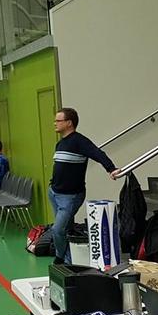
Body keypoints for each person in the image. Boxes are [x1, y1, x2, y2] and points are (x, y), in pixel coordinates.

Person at [49, 107, 119, 263]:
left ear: (69, 123)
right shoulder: (60, 144)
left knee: (58, 229)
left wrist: (111, 168)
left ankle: (59, 258)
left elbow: (97, 153)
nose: (55, 123)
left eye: (58, 120)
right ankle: (69, 261)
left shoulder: (79, 141)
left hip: (70, 196)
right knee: (65, 228)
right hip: (54, 193)